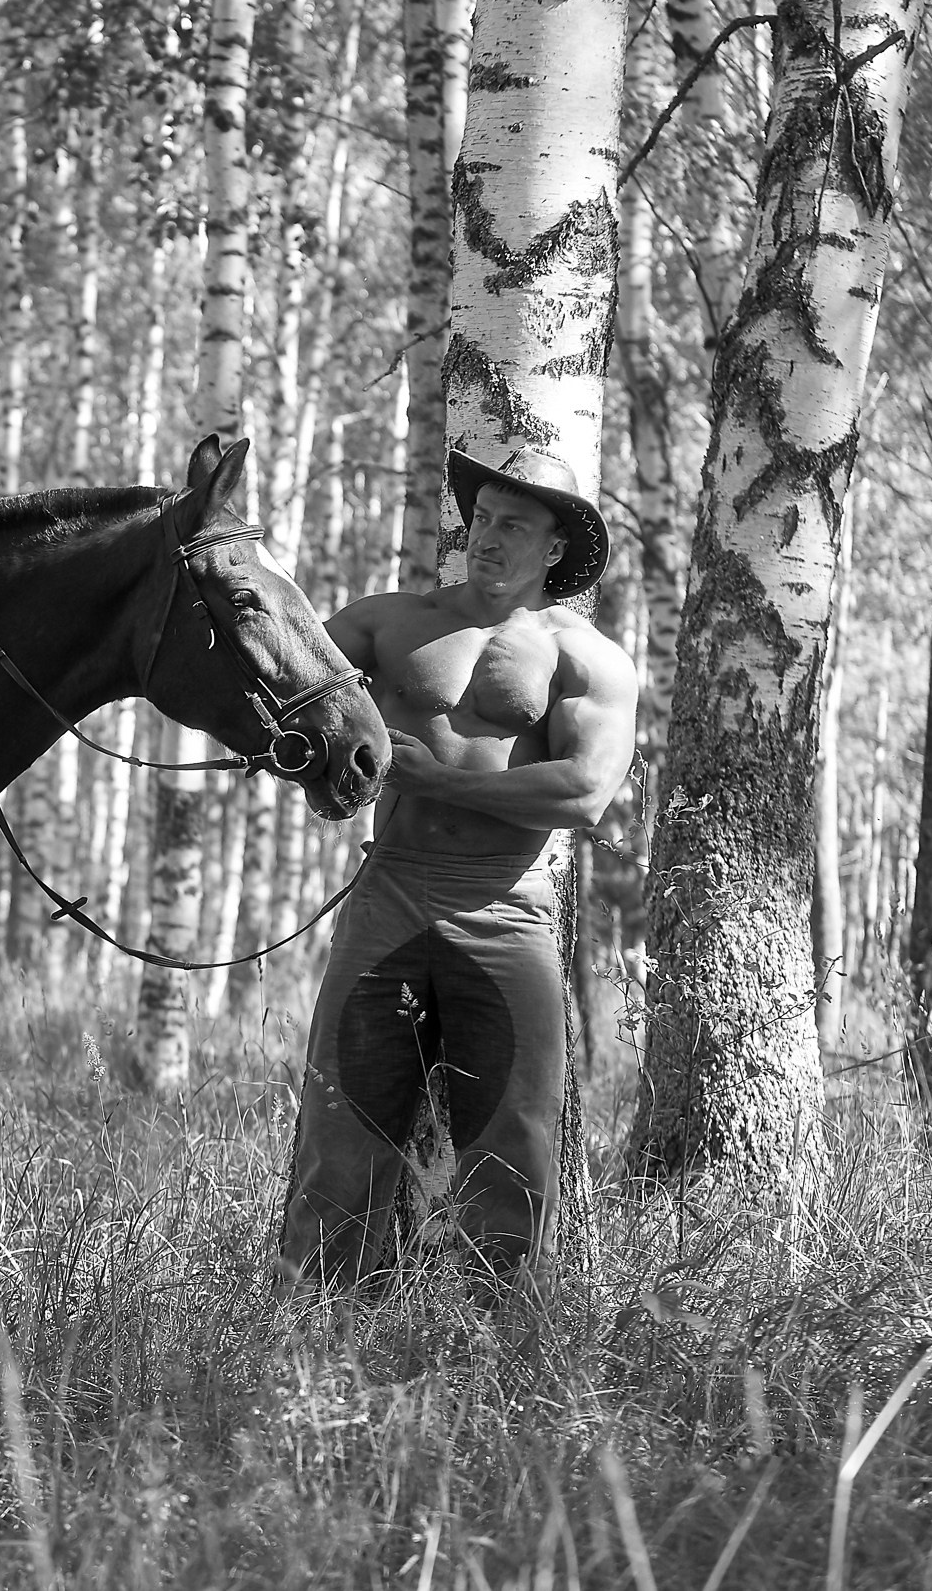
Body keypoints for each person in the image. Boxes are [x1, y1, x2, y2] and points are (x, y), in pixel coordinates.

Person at [280, 447, 637, 1284]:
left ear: (555, 549)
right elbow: (282, 700)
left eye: (516, 524)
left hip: (508, 909)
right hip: (387, 896)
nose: (490, 535)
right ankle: (305, 1344)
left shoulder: (586, 656)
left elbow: (586, 791)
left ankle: (501, 1357)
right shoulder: (387, 622)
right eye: (482, 518)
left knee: (514, 1144)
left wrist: (440, 780)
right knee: (341, 1130)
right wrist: (318, 769)